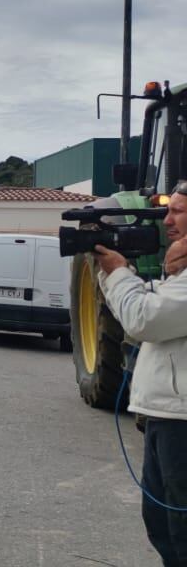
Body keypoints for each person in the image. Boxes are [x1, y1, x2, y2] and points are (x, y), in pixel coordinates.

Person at [95, 184, 187, 565]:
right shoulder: (179, 272)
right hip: (166, 414)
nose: (167, 220)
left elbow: (142, 319)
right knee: (161, 521)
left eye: (178, 212)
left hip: (181, 421)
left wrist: (118, 273)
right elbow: (150, 304)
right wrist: (115, 275)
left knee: (180, 527)